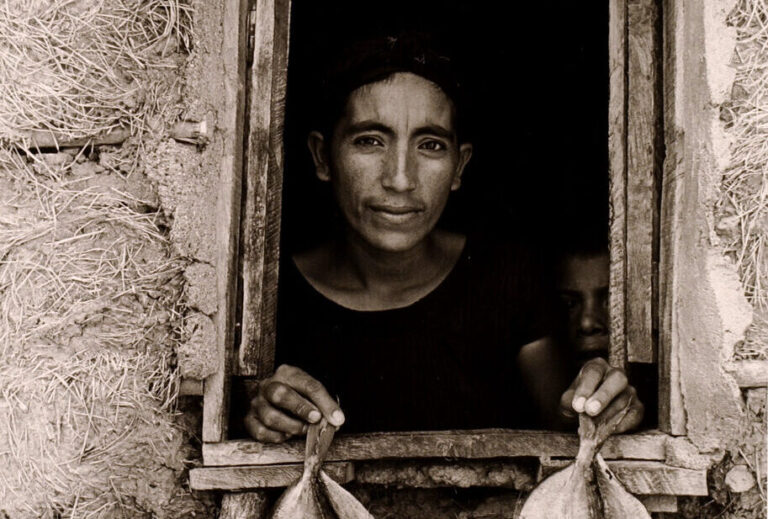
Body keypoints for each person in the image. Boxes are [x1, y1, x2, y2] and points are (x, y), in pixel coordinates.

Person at [244, 34, 644, 442]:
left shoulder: (506, 279)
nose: (400, 179)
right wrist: (262, 411)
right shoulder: (275, 301)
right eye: (369, 141)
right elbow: (255, 412)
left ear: (459, 167)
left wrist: (602, 404)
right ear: (322, 156)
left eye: (431, 145)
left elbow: (565, 427)